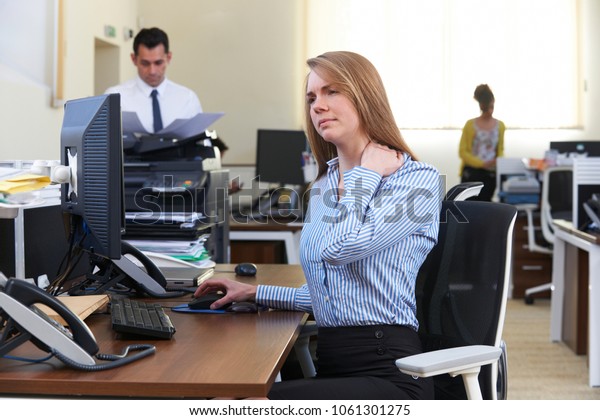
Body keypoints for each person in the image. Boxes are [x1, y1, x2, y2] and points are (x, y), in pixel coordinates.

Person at [195, 51, 441, 400]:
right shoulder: (326, 183)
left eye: (332, 92)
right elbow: (330, 291)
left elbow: (339, 249)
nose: (317, 106)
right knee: (224, 386)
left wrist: (365, 174)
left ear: (365, 96)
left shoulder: (416, 181)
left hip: (392, 374)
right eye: (311, 97)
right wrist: (255, 293)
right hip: (335, 366)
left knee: (236, 403)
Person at [105, 27, 202, 134]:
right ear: (134, 59)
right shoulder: (115, 98)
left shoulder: (188, 99)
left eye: (158, 63)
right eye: (145, 63)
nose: (152, 71)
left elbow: (201, 142)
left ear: (168, 58)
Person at [458, 84, 505, 201]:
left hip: (490, 175)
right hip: (471, 174)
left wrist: (497, 161)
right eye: (487, 107)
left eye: (492, 106)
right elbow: (462, 152)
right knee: (468, 210)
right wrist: (482, 164)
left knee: (486, 209)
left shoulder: (500, 126)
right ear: (481, 105)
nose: (490, 110)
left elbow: (501, 150)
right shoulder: (470, 125)